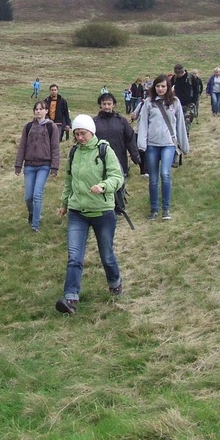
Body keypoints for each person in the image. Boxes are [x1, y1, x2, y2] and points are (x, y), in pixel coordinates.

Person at [56, 114, 125, 315]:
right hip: (78, 212)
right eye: (76, 134)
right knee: (74, 257)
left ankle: (115, 282)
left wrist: (103, 186)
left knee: (106, 255)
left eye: (83, 133)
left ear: (91, 132)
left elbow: (116, 177)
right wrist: (64, 204)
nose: (79, 137)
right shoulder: (73, 153)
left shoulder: (104, 150)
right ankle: (71, 299)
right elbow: (69, 181)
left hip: (102, 212)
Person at [136, 74, 190, 221]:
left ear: (168, 87)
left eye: (163, 86)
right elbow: (143, 124)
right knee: (153, 179)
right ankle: (154, 209)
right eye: (158, 86)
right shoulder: (149, 103)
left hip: (168, 144)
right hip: (152, 145)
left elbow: (180, 124)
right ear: (154, 87)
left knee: (165, 174)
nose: (160, 89)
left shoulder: (175, 102)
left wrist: (184, 145)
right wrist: (142, 143)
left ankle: (166, 208)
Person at [15, 100, 60, 232]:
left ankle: (35, 226)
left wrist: (54, 167)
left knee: (37, 194)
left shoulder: (52, 127)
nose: (38, 111)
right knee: (28, 197)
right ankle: (32, 213)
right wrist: (18, 165)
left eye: (41, 109)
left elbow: (55, 148)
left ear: (46, 111)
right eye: (36, 109)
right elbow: (22, 146)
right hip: (29, 165)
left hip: (44, 165)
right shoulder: (28, 127)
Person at [93, 93, 141, 177]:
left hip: (119, 158)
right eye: (104, 104)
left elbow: (130, 139)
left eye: (109, 104)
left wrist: (135, 156)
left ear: (113, 105)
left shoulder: (122, 121)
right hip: (98, 160)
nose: (107, 106)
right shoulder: (93, 122)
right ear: (100, 105)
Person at [171, 63, 197, 133]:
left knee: (186, 122)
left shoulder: (191, 78)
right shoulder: (174, 78)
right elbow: (169, 87)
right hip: (177, 104)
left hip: (189, 104)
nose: (178, 75)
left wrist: (194, 101)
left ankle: (185, 137)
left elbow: (196, 90)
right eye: (177, 74)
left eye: (179, 74)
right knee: (177, 122)